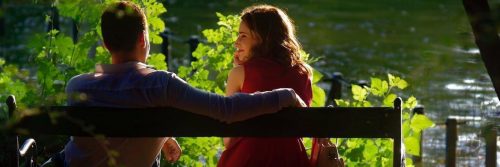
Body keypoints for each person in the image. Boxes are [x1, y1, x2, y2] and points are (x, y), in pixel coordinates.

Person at [62, 2, 306, 167]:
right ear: (143, 39)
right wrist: (282, 96)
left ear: (105, 44)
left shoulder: (77, 87)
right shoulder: (160, 85)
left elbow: (119, 103)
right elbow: (226, 110)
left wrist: (164, 134)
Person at [217, 5, 313, 167]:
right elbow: (302, 127)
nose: (236, 42)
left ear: (262, 38)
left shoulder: (240, 74)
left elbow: (229, 140)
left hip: (248, 159)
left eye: (243, 36)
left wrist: (240, 69)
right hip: (291, 160)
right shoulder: (303, 73)